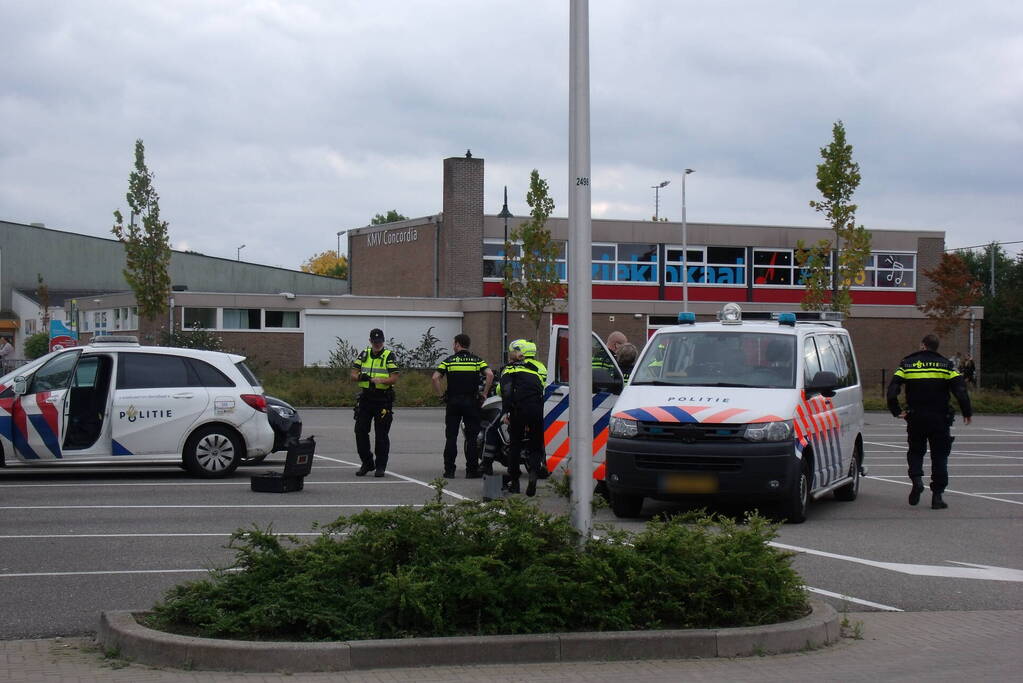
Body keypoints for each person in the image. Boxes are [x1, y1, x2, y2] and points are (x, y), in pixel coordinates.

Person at [886, 333, 972, 510]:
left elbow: (893, 389)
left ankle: (917, 480)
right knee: (940, 456)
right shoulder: (947, 365)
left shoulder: (908, 363)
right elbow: (961, 391)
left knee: (916, 452)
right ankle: (937, 497)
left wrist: (896, 410)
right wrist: (967, 412)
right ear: (936, 347)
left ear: (923, 345)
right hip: (940, 418)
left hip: (916, 417)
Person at [432, 333, 494, 479]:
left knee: (451, 437)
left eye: (454, 343)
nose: (453, 346)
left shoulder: (449, 361)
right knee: (472, 438)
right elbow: (490, 374)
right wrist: (484, 393)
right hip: (471, 402)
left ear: (458, 344)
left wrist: (441, 395)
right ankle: (471, 470)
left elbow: (435, 378)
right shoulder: (476, 361)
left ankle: (449, 470)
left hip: (453, 402)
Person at [499, 339, 547, 496]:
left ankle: (515, 482)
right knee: (535, 444)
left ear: (511, 358)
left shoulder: (508, 370)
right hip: (536, 409)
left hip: (518, 410)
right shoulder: (533, 369)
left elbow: (505, 391)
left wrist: (506, 412)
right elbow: (541, 388)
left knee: (515, 445)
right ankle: (533, 472)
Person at [351, 328, 399, 477]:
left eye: (380, 342)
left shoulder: (388, 355)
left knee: (381, 435)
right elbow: (353, 374)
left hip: (382, 399)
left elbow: (394, 377)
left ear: (383, 341)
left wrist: (381, 381)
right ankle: (367, 462)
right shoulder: (364, 354)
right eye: (375, 342)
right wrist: (361, 378)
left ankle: (380, 466)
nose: (377, 344)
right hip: (366, 398)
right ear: (370, 341)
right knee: (360, 431)